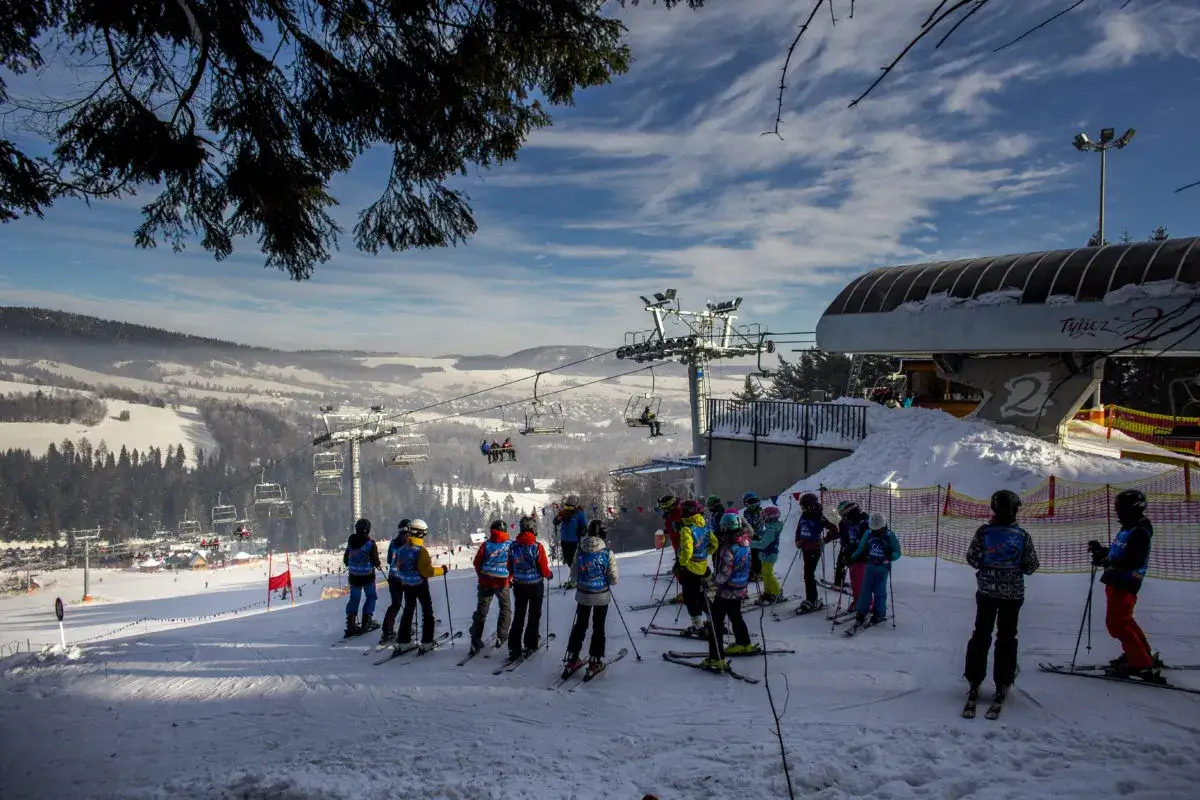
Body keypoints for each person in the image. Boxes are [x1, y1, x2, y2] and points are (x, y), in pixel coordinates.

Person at [963, 490, 1040, 699]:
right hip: (1012, 595)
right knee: (1006, 636)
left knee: (981, 634)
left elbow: (971, 558)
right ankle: (1004, 679)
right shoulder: (1022, 536)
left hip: (987, 592)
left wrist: (988, 565)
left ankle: (974, 677)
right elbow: (1032, 565)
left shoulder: (984, 532)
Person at [1089, 488, 1162, 680]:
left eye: (1121, 510)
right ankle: (1141, 654)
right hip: (1117, 580)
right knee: (1125, 619)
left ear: (1133, 510)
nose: (1117, 514)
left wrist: (1109, 562)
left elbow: (1133, 560)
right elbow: (1118, 553)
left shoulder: (1139, 532)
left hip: (1125, 582)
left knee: (1117, 624)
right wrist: (1102, 553)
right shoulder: (1129, 528)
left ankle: (1140, 664)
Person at [564, 519, 620, 677]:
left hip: (583, 595)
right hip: (601, 596)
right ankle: (595, 660)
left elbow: (574, 575)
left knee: (579, 626)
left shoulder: (580, 550)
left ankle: (572, 658)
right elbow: (613, 580)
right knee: (598, 627)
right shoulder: (607, 553)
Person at [705, 513, 759, 671]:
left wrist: (709, 583)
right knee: (735, 615)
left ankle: (716, 658)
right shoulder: (745, 540)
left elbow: (724, 574)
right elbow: (750, 531)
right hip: (741, 586)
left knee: (715, 623)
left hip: (727, 590)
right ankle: (744, 643)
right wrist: (743, 519)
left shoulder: (728, 549)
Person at [392, 519, 449, 651]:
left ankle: (403, 640)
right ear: (421, 533)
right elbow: (427, 571)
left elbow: (398, 566)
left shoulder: (402, 549)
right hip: (420, 584)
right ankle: (427, 641)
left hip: (407, 584)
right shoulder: (421, 551)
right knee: (427, 611)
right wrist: (442, 570)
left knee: (408, 610)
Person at [507, 515, 554, 661]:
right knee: (534, 615)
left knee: (519, 615)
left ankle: (514, 648)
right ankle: (530, 643)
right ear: (534, 529)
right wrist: (549, 575)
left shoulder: (513, 546)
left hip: (519, 585)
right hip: (535, 585)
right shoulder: (537, 546)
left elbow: (510, 566)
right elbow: (543, 567)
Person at [469, 520, 514, 656]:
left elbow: (477, 562)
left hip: (485, 581)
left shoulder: (486, 544)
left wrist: (481, 576)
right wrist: (510, 578)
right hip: (502, 582)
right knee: (505, 608)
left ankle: (475, 639)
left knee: (482, 611)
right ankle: (502, 636)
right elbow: (514, 563)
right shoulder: (510, 545)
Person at [849, 513, 901, 625]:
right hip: (870, 566)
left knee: (879, 591)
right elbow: (861, 548)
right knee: (865, 590)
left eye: (877, 531)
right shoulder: (868, 534)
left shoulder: (889, 535)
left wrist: (890, 556)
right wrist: (852, 558)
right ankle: (862, 611)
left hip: (882, 568)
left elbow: (897, 552)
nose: (875, 533)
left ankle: (879, 613)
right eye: (873, 530)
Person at [677, 499, 718, 638]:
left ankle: (699, 627)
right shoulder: (704, 526)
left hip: (690, 569)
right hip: (703, 566)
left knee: (690, 598)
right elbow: (714, 543)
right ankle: (713, 622)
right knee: (702, 596)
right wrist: (705, 554)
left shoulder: (687, 529)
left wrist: (681, 562)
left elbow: (687, 550)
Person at [794, 493, 839, 611]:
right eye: (802, 507)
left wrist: (825, 540)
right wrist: (798, 541)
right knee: (807, 574)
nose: (802, 510)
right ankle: (811, 599)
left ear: (811, 506)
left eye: (804, 507)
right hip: (805, 548)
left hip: (814, 549)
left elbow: (835, 530)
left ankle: (812, 600)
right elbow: (799, 529)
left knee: (809, 575)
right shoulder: (804, 516)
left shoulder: (819, 517)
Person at [343, 518, 382, 637]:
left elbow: (346, 560)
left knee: (354, 599)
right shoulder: (370, 544)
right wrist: (378, 564)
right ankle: (367, 621)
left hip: (354, 577)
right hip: (367, 577)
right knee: (371, 596)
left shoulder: (351, 542)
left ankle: (351, 625)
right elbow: (375, 560)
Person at [379, 518, 412, 644]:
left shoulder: (393, 542)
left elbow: (388, 560)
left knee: (395, 605)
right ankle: (405, 629)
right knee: (409, 605)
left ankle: (387, 631)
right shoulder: (409, 542)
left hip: (393, 577)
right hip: (405, 578)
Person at [835, 500, 871, 600]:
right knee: (855, 582)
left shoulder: (864, 521)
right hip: (852, 555)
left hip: (862, 556)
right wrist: (846, 551)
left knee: (862, 582)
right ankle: (856, 602)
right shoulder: (844, 523)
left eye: (843, 514)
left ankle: (866, 605)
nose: (843, 517)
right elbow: (845, 538)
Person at [751, 505, 785, 604]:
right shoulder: (771, 527)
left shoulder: (771, 530)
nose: (763, 519)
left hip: (770, 554)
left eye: (764, 517)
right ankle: (768, 592)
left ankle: (777, 592)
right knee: (765, 573)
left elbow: (763, 544)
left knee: (768, 574)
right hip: (767, 554)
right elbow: (763, 538)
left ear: (770, 517)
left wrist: (750, 543)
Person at [555, 496, 588, 589]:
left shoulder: (580, 514)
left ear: (576, 506)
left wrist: (582, 530)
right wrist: (558, 519)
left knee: (574, 561)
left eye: (570, 507)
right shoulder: (564, 512)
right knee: (568, 560)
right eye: (567, 506)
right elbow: (555, 520)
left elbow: (584, 526)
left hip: (574, 541)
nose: (568, 509)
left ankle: (577, 578)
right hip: (564, 541)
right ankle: (576, 578)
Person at [739, 491, 764, 582]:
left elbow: (759, 524)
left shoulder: (760, 512)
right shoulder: (746, 512)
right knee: (750, 555)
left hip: (758, 537)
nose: (752, 505)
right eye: (750, 503)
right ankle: (752, 572)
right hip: (749, 536)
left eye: (754, 502)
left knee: (757, 555)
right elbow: (747, 523)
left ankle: (757, 572)